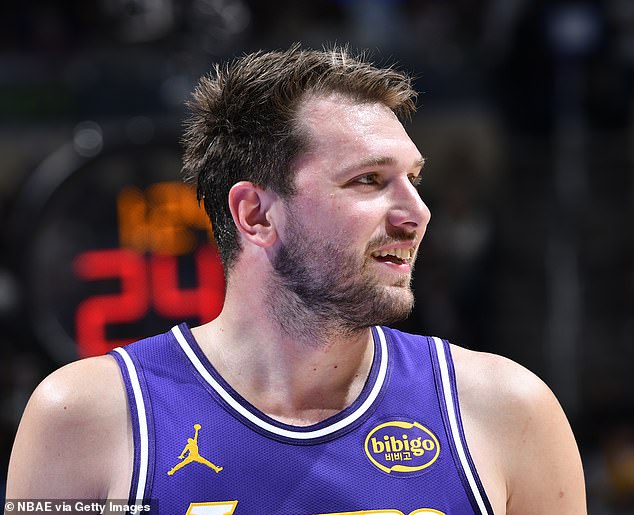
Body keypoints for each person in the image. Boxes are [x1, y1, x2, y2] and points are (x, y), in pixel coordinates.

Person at [5, 44, 586, 515]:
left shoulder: (509, 410)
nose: (417, 212)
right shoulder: (83, 418)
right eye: (367, 180)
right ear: (255, 214)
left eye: (412, 178)